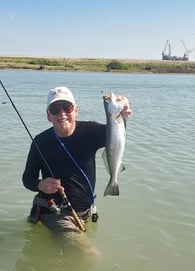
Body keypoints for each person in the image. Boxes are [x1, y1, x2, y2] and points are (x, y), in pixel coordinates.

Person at [22, 86, 130, 241]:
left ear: (76, 111)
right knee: (89, 256)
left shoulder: (91, 131)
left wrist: (124, 111)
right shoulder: (40, 142)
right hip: (55, 213)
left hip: (85, 213)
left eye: (67, 107)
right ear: (48, 115)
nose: (62, 113)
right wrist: (40, 184)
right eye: (55, 109)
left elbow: (116, 134)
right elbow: (27, 179)